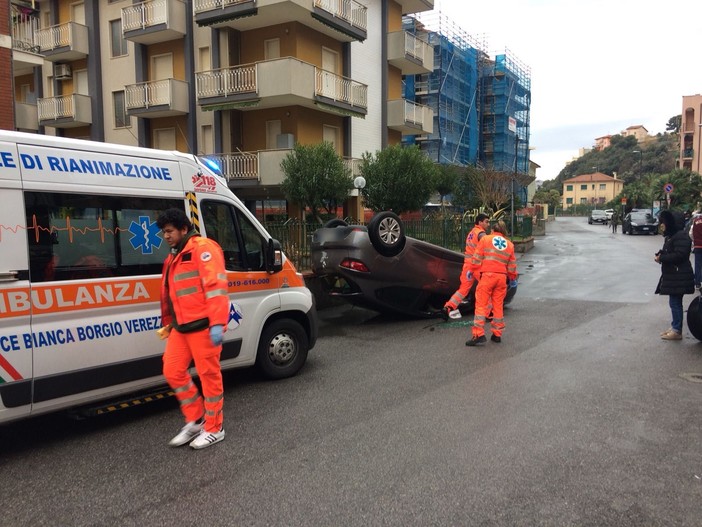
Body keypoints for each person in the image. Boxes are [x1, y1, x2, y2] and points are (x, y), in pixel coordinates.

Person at [157, 208, 230, 449]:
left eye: (169, 231)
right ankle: (197, 419)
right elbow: (170, 293)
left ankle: (214, 427)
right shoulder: (173, 256)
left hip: (203, 327)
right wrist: (169, 322)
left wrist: (218, 323)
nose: (166, 236)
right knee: (172, 370)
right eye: (163, 232)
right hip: (181, 327)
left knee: (209, 376)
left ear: (183, 229)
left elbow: (216, 287)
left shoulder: (203, 249)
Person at [466, 220, 518, 346]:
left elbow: (477, 258)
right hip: (501, 278)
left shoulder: (485, 240)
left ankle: (478, 334)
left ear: (493, 230)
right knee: (498, 306)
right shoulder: (509, 244)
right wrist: (512, 279)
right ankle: (497, 334)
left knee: (481, 305)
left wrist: (471, 270)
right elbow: (512, 266)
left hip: (488, 277)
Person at [442, 213, 490, 319]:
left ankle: (448, 307)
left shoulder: (471, 233)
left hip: (468, 266)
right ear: (480, 222)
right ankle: (489, 313)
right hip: (478, 266)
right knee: (486, 287)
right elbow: (487, 247)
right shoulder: (481, 234)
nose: (488, 224)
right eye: (486, 222)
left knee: (463, 289)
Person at [655, 210, 695, 341]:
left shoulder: (681, 236)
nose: (662, 225)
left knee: (676, 303)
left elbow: (680, 255)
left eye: (664, 222)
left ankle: (677, 330)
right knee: (674, 303)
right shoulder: (673, 236)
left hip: (679, 275)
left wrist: (663, 258)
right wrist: (661, 254)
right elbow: (670, 250)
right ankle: (674, 327)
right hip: (675, 275)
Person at [688, 205, 702, 291]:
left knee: (698, 264)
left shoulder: (695, 222)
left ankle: (697, 282)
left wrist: (695, 241)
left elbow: (690, 233)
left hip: (698, 246)